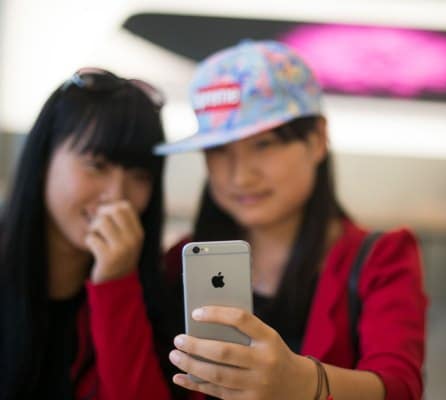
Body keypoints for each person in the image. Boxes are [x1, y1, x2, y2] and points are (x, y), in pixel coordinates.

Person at [156, 40, 428, 400]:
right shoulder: (180, 262)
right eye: (219, 150)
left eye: (263, 144)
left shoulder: (381, 258)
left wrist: (302, 383)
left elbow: (400, 388)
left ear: (317, 140)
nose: (240, 176)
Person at [0, 68, 178, 399]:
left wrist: (116, 284)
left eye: (140, 175)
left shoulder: (157, 294)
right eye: (97, 165)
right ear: (43, 161)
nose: (117, 196)